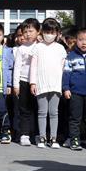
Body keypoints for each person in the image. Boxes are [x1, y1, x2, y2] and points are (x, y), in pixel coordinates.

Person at [29, 18, 67, 149]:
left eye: (52, 31)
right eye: (47, 31)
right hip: (41, 83)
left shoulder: (61, 48)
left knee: (54, 112)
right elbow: (33, 67)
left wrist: (63, 84)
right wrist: (32, 83)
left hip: (56, 84)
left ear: (57, 33)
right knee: (42, 112)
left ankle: (54, 138)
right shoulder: (37, 47)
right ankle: (42, 137)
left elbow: (63, 68)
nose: (49, 34)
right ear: (42, 31)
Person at [12, 19, 40, 146]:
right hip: (23, 81)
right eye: (25, 31)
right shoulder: (21, 49)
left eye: (31, 31)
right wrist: (15, 85)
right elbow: (17, 67)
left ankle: (37, 134)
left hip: (38, 81)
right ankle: (24, 134)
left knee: (38, 109)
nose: (28, 34)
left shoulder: (40, 47)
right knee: (24, 109)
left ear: (38, 32)